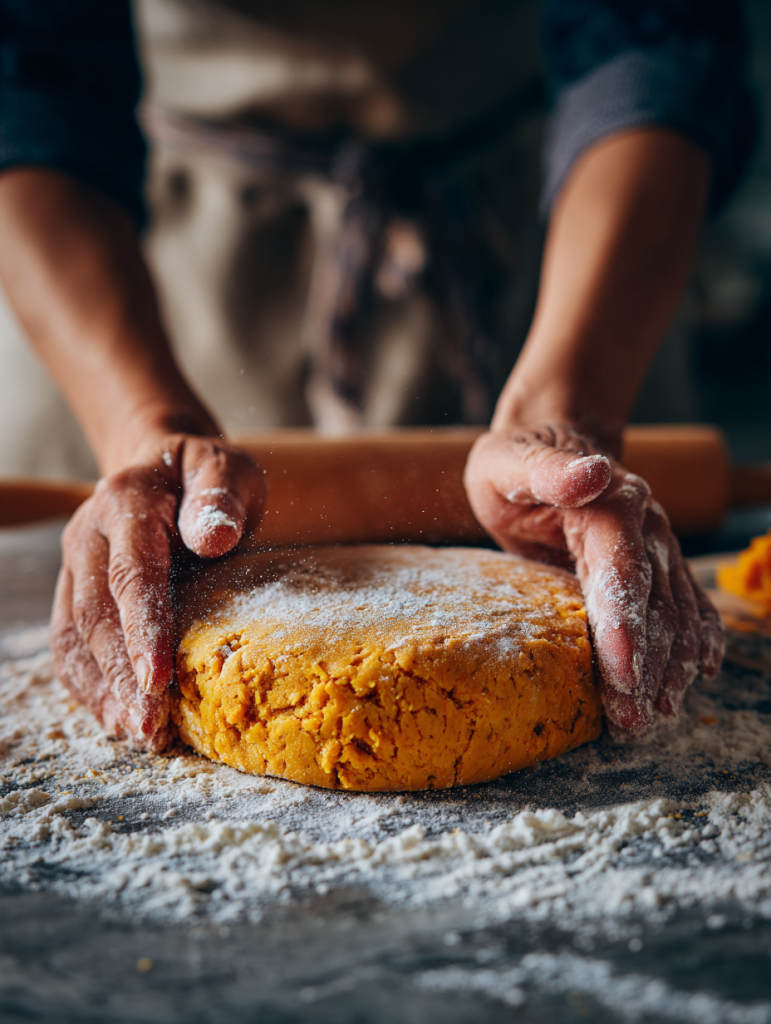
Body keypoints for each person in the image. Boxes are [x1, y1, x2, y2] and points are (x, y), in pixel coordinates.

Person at [0, 1, 753, 750]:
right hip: (151, 261)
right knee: (160, 540)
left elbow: (652, 39)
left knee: (590, 527)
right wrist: (144, 426)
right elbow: (28, 81)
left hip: (562, 246)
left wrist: (567, 412)